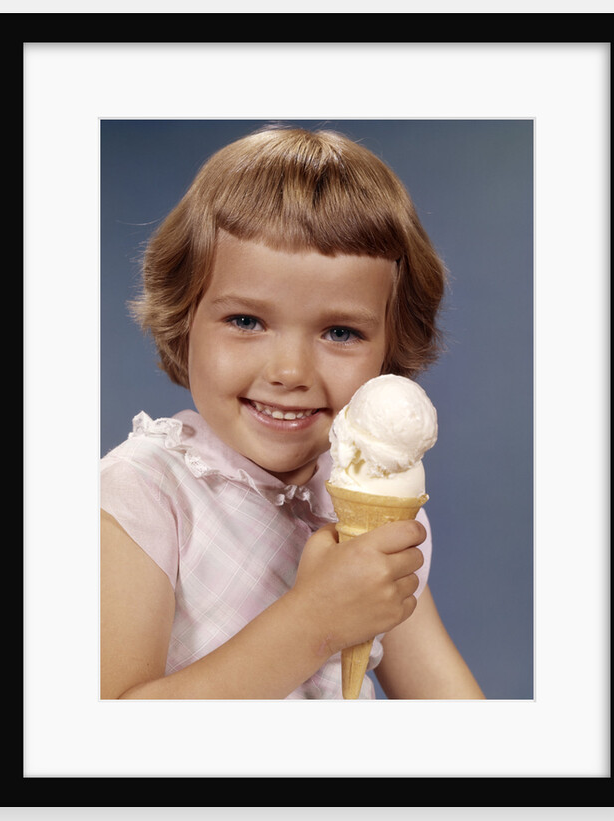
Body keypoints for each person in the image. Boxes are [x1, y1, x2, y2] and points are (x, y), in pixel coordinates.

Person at [100, 125, 485, 700]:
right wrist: (315, 621)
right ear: (184, 322)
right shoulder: (143, 495)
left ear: (391, 350)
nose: (290, 371)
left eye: (340, 331)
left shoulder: (365, 505)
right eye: (246, 321)